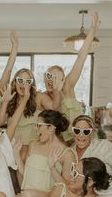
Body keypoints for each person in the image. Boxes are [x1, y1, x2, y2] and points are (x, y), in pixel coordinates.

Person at [41, 12, 100, 142]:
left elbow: (81, 58)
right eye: (50, 76)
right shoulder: (43, 97)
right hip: (63, 144)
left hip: (82, 137)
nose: (52, 80)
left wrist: (93, 31)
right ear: (45, 79)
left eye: (57, 77)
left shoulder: (68, 86)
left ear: (63, 80)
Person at [0, 68, 62, 159]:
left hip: (35, 145)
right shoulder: (10, 99)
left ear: (32, 84)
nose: (24, 84)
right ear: (15, 82)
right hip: (14, 145)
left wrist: (57, 92)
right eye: (20, 80)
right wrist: (5, 102)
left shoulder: (39, 97)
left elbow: (55, 109)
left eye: (28, 81)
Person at [14, 110, 76, 197]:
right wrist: (16, 155)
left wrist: (53, 168)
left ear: (51, 128)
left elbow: (67, 187)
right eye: (35, 124)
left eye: (39, 125)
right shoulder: (33, 145)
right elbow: (26, 174)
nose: (35, 129)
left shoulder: (66, 153)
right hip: (28, 195)